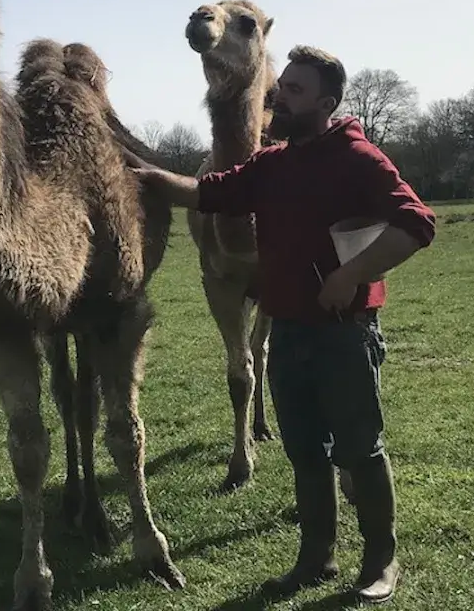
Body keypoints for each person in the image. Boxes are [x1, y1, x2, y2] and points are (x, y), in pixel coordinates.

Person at [128, 45, 437, 603]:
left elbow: (416, 222)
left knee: (361, 450)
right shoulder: (273, 163)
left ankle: (379, 562)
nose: (277, 97)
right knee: (305, 452)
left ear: (327, 101)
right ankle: (315, 558)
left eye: (293, 90)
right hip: (289, 331)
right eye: (280, 87)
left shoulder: (358, 158)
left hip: (345, 332)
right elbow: (207, 193)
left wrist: (352, 275)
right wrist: (146, 175)